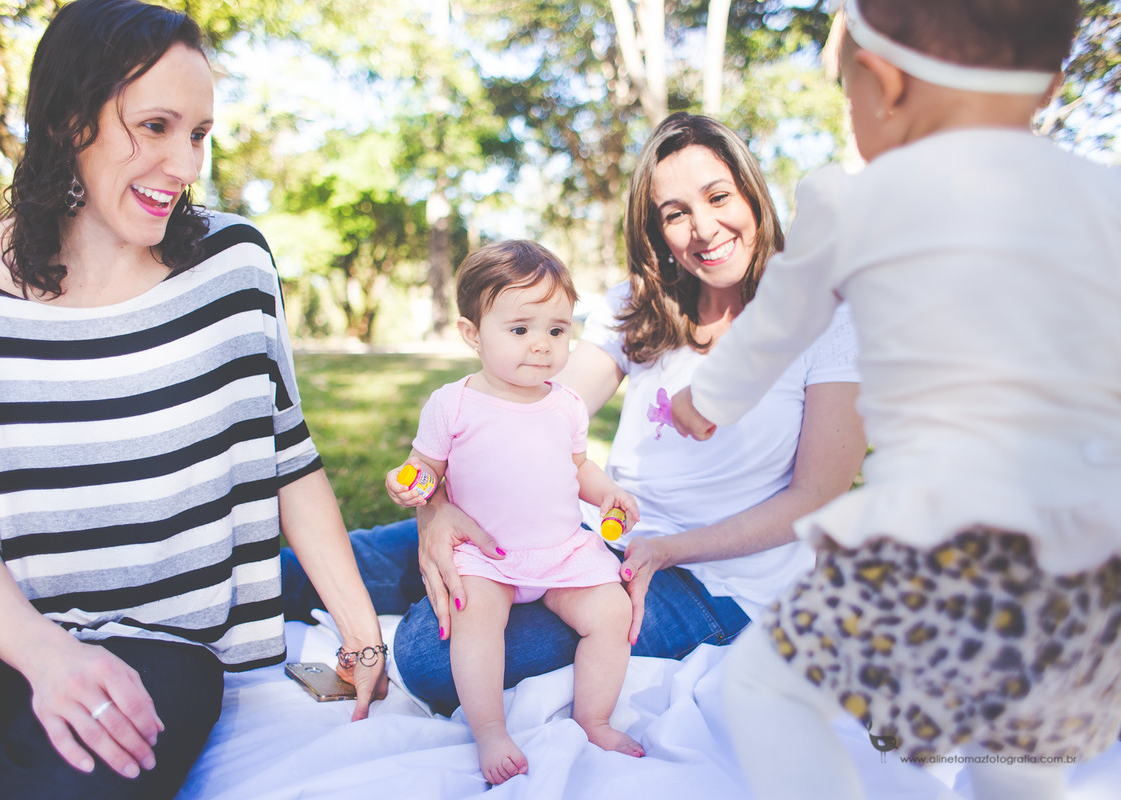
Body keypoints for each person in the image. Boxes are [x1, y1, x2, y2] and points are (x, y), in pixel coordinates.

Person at [0, 2, 386, 798]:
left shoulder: (234, 264)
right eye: (155, 127)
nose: (184, 164)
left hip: (162, 657)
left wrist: (362, 631)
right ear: (68, 121)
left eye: (198, 134)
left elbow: (286, 450)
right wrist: (47, 657)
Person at [670, 2, 1121, 799]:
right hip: (1091, 562)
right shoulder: (1103, 196)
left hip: (946, 546)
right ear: (1051, 86)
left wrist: (706, 399)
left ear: (881, 84)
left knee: (763, 686)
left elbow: (771, 331)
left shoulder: (858, 207)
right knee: (1018, 759)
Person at [282, 112, 866, 714]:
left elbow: (814, 499)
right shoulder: (643, 304)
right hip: (576, 531)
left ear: (752, 193)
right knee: (308, 568)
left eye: (718, 197)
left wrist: (669, 549)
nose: (703, 228)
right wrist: (436, 510)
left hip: (716, 583)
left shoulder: (832, 319)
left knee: (429, 656)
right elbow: (527, 415)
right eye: (675, 214)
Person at [387, 241, 644, 783]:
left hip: (561, 552)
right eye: (520, 329)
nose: (542, 345)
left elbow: (578, 467)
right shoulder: (454, 403)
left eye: (557, 330)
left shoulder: (566, 404)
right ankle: (490, 730)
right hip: (488, 555)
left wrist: (607, 493)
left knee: (612, 612)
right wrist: (411, 482)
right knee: (475, 621)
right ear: (473, 334)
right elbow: (425, 466)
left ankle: (594, 718)